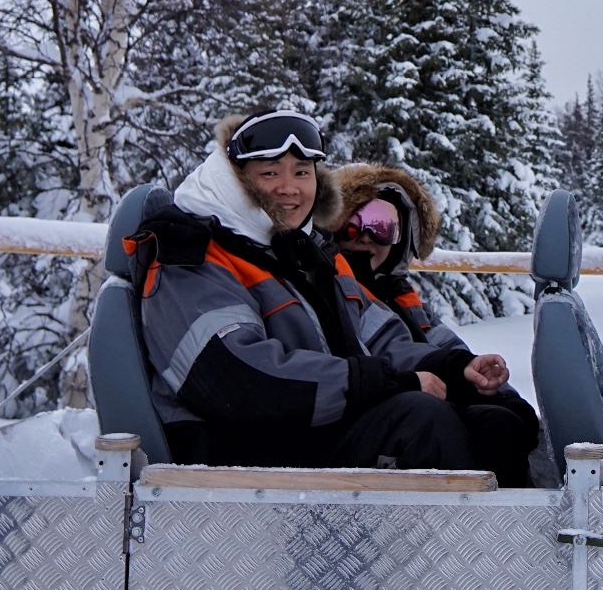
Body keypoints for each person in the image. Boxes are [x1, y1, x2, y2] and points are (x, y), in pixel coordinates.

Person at [133, 109, 491, 475]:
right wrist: (379, 383)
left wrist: (454, 368)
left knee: (491, 420)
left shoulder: (301, 252)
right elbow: (235, 379)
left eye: (302, 172)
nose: (290, 188)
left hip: (302, 433)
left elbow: (378, 335)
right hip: (236, 455)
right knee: (422, 423)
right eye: (270, 172)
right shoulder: (190, 256)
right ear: (236, 179)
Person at [330, 163, 541, 487]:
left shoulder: (400, 296)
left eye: (383, 225)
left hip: (417, 395)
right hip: (371, 410)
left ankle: (507, 520)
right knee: (439, 420)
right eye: (351, 225)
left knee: (501, 423)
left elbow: (444, 345)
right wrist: (455, 370)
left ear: (401, 238)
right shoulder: (334, 287)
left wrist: (499, 392)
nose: (366, 237)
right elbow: (387, 346)